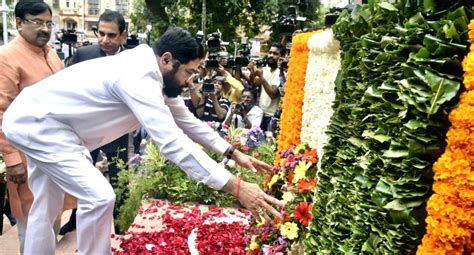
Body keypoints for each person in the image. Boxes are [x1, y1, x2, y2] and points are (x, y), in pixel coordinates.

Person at [2, 27, 283, 255]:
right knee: (99, 196)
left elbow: (187, 122)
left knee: (47, 203)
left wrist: (233, 153)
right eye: (189, 72)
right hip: (39, 124)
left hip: (46, 123)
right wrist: (235, 186)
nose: (189, 82)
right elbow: (171, 142)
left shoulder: (157, 77)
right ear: (167, 59)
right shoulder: (138, 76)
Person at [0, 1, 64, 252]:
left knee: (54, 217)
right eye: (37, 22)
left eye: (49, 23)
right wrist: (12, 158)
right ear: (19, 23)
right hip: (26, 157)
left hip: (56, 152)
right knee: (33, 222)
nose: (45, 29)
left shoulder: (51, 53)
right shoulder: (7, 57)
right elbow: (0, 111)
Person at [59, 10, 129, 236]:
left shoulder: (132, 60)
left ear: (123, 35)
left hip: (117, 130)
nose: (105, 40)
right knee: (81, 175)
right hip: (86, 130)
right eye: (101, 34)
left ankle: (122, 223)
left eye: (111, 35)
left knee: (120, 177)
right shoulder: (84, 54)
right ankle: (75, 218)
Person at [248, 42, 284, 131]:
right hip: (260, 114)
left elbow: (273, 94)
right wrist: (252, 72)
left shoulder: (281, 74)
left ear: (281, 57)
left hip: (272, 118)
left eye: (275, 54)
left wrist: (261, 76)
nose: (271, 55)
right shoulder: (264, 69)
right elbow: (254, 84)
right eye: (270, 52)